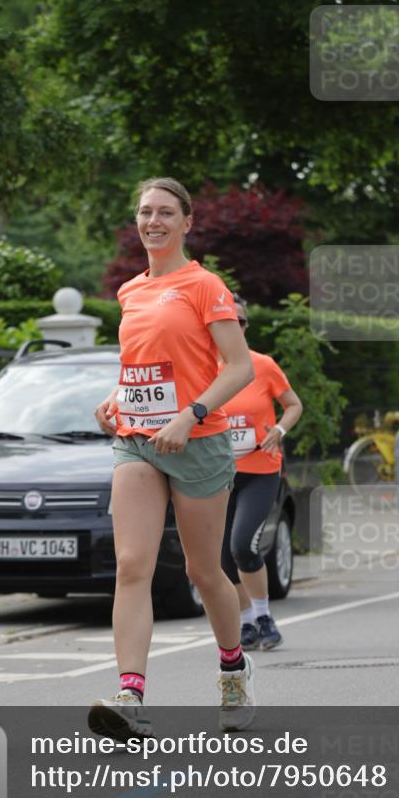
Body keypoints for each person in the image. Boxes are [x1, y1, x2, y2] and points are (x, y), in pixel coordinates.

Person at [91, 177, 255, 739]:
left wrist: (191, 414)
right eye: (145, 212)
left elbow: (240, 367)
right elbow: (144, 361)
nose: (153, 221)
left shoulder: (204, 285)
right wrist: (116, 397)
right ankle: (130, 695)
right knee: (131, 565)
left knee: (203, 571)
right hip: (136, 439)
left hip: (198, 441)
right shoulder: (130, 291)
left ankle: (233, 667)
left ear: (187, 222)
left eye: (165, 212)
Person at [220, 294, 303, 649]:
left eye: (239, 322)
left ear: (246, 326)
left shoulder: (262, 365)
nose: (233, 327)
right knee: (222, 557)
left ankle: (264, 616)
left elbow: (293, 405)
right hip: (217, 475)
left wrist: (279, 430)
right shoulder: (203, 367)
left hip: (259, 471)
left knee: (242, 544)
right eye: (226, 321)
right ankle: (246, 623)